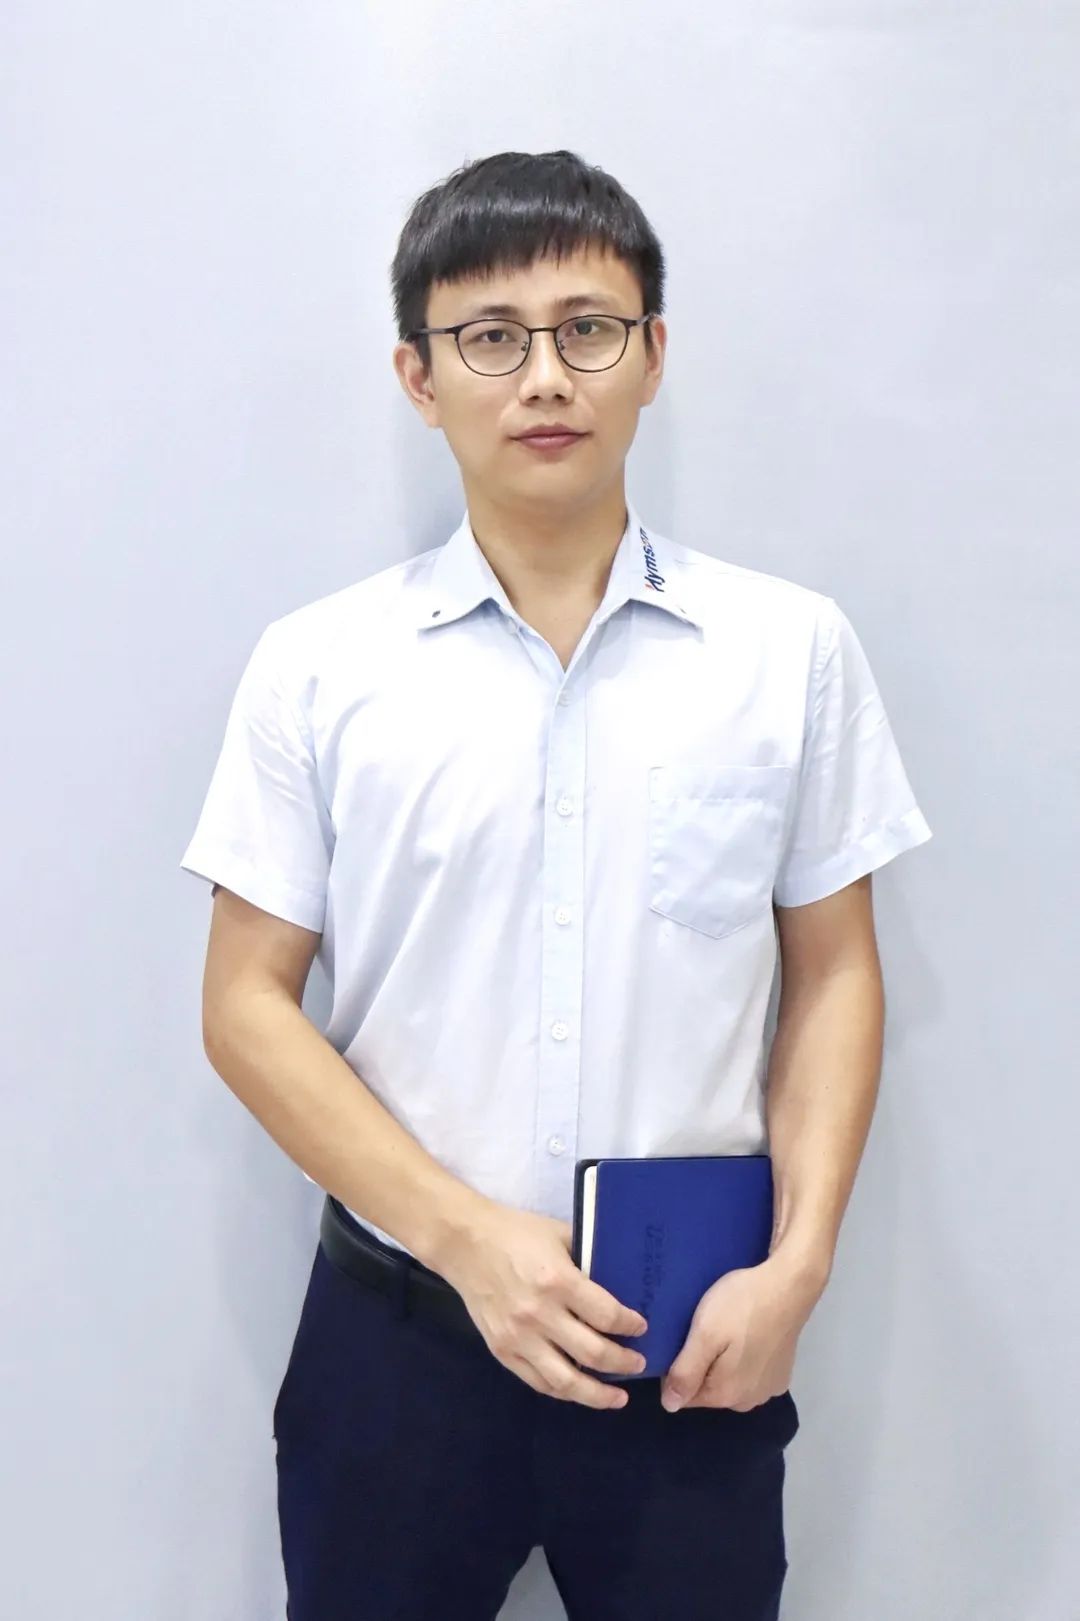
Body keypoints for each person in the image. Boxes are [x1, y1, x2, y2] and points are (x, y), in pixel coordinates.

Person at [180, 148, 933, 1620]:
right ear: (418, 376)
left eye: (588, 328)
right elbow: (244, 1006)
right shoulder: (318, 667)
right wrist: (469, 1242)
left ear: (653, 355)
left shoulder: (788, 652)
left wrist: (800, 1266)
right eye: (490, 337)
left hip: (690, 1335)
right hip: (400, 1337)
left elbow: (835, 970)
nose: (544, 377)